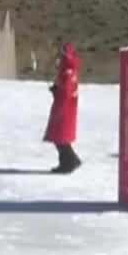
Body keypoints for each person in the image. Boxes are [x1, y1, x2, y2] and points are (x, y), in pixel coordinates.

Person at [43, 42, 82, 173]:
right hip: (67, 109)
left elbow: (65, 92)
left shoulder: (67, 72)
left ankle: (68, 163)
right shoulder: (70, 70)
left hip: (64, 110)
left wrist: (56, 91)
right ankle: (71, 160)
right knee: (61, 139)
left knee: (60, 139)